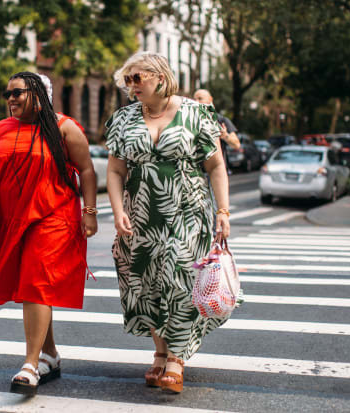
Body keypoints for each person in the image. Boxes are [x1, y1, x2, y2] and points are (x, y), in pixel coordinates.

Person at [0, 72, 98, 396]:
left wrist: (90, 213)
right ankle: (49, 353)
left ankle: (30, 366)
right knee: (28, 286)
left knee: (36, 282)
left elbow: (87, 170)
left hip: (53, 216)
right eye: (7, 93)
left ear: (39, 93)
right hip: (11, 219)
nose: (11, 98)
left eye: (18, 92)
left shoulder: (64, 127)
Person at [105, 52, 231, 394]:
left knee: (180, 280)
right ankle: (159, 352)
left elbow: (216, 166)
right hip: (141, 215)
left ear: (160, 77)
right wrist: (117, 211)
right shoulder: (123, 118)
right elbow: (115, 170)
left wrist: (223, 211)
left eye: (137, 78)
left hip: (187, 212)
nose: (131, 86)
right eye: (127, 80)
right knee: (147, 285)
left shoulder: (195, 113)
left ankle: (176, 357)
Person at [193, 89, 240, 174]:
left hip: (216, 172)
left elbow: (236, 145)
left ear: (210, 99)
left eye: (200, 98)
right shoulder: (190, 121)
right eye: (194, 99)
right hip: (196, 174)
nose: (196, 102)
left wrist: (225, 136)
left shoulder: (221, 120)